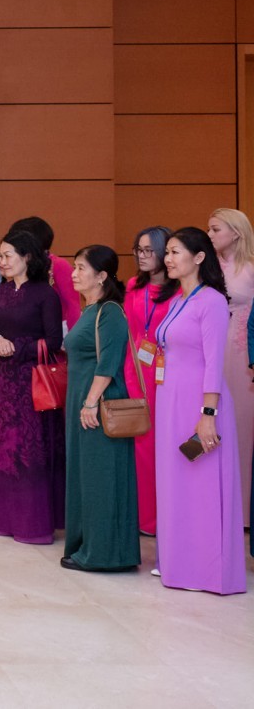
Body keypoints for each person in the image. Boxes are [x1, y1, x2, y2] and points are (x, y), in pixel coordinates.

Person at [155, 227, 246, 594]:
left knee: (201, 485)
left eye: (176, 252)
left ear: (199, 257)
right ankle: (178, 565)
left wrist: (207, 413)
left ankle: (207, 571)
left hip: (199, 403)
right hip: (171, 402)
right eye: (168, 253)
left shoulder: (210, 301)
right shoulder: (179, 300)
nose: (168, 259)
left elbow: (213, 363)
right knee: (176, 484)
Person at [0, 229, 66, 544]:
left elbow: (54, 342)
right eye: (0, 256)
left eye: (7, 256)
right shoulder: (0, 293)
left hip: (33, 381)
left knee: (29, 451)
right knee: (2, 447)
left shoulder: (45, 294)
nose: (1, 262)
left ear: (27, 258)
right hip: (3, 379)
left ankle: (33, 524)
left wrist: (15, 346)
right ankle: (2, 519)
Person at [61, 245, 139, 572]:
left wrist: (90, 402)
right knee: (85, 476)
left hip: (98, 403)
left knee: (102, 478)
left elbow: (107, 364)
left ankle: (104, 552)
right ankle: (85, 545)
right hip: (82, 401)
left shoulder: (110, 311)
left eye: (81, 268)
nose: (74, 274)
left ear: (102, 275)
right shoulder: (90, 310)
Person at [124, 226, 174, 536]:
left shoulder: (180, 290)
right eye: (138, 250)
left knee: (159, 444)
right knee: (136, 442)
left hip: (165, 370)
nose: (142, 257)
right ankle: (139, 516)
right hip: (134, 367)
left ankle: (160, 518)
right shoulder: (132, 285)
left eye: (149, 251)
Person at [207, 207, 254, 525]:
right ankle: (214, 504)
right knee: (210, 422)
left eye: (215, 229)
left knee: (242, 426)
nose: (209, 235)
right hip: (210, 352)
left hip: (242, 358)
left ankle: (244, 510)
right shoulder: (206, 268)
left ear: (235, 233)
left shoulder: (251, 269)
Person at [9, 216, 80, 333]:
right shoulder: (18, 264)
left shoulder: (58, 265)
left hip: (56, 330)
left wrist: (73, 339)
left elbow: (72, 304)